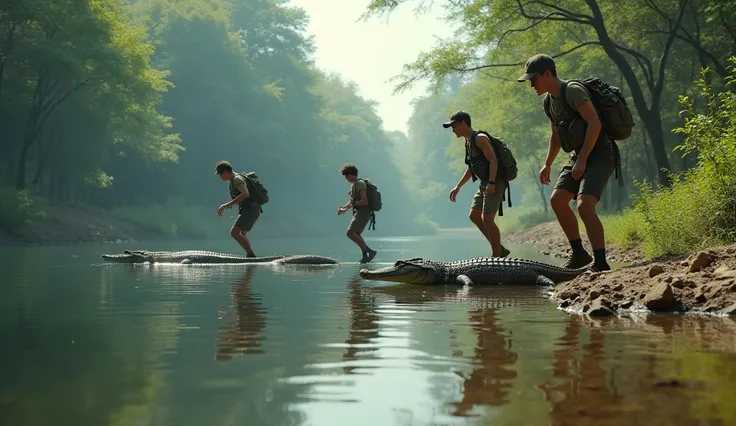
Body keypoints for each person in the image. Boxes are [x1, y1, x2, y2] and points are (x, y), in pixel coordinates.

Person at [517, 54, 616, 272]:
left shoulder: (572, 91)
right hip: (578, 156)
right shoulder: (548, 102)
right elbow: (556, 134)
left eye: (533, 78)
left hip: (600, 155)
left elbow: (595, 123)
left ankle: (601, 262)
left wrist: (582, 160)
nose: (531, 84)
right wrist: (548, 163)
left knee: (584, 205)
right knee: (558, 200)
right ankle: (579, 254)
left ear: (547, 74)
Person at [444, 110, 511, 258]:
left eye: (454, 126)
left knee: (487, 218)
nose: (452, 130)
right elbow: (472, 168)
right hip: (484, 183)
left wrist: (492, 182)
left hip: (495, 181)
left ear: (463, 123)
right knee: (474, 215)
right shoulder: (468, 142)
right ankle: (499, 249)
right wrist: (458, 186)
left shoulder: (479, 138)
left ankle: (496, 256)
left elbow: (494, 160)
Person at [215, 161, 260, 257]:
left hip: (251, 209)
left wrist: (227, 204)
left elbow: (245, 194)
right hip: (248, 209)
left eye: (221, 173)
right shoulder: (233, 180)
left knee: (234, 232)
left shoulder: (237, 180)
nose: (221, 176)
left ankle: (251, 255)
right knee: (242, 234)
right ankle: (250, 259)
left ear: (227, 171)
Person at [337, 163, 378, 263]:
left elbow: (365, 201)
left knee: (350, 233)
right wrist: (344, 209)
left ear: (351, 174)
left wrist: (353, 204)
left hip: (364, 212)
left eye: (346, 176)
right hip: (359, 212)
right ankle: (366, 255)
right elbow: (352, 202)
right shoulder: (354, 185)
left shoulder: (359, 184)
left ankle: (369, 252)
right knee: (356, 234)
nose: (346, 178)